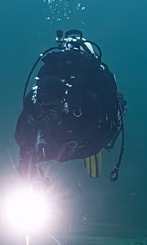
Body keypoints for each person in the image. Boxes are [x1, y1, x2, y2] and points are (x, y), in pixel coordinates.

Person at [15, 30, 126, 181]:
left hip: (81, 136)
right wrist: (26, 158)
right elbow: (22, 132)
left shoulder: (86, 103)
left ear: (63, 101)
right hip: (61, 136)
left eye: (52, 109)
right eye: (43, 109)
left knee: (100, 140)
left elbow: (97, 142)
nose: (47, 113)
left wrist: (50, 153)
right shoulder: (34, 101)